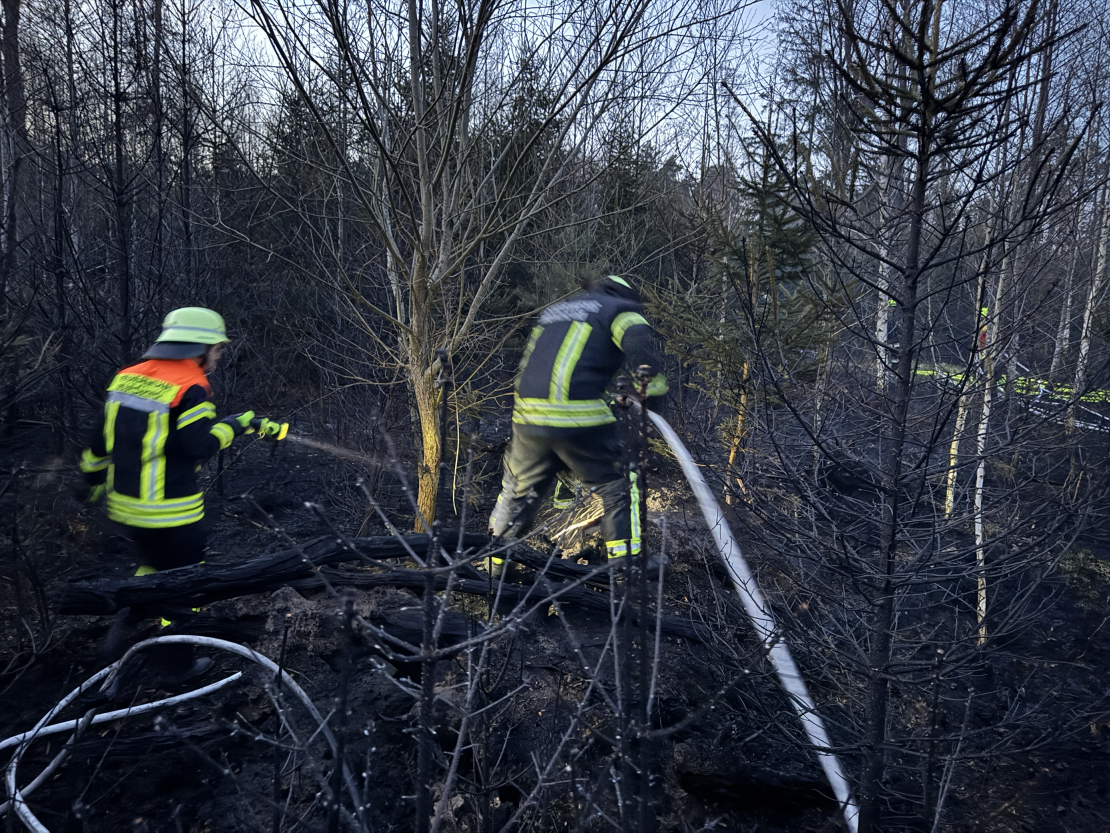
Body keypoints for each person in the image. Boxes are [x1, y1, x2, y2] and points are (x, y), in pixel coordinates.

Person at [80, 307, 286, 678]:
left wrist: (91, 483)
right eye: (218, 351)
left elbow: (99, 440)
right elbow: (197, 447)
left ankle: (125, 626)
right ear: (199, 348)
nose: (218, 358)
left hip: (125, 509)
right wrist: (238, 426)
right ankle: (178, 666)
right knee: (186, 587)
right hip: (170, 513)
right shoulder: (192, 385)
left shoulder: (128, 377)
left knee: (153, 567)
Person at [488, 274, 667, 576]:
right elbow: (640, 347)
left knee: (517, 492)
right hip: (578, 416)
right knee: (619, 484)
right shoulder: (618, 308)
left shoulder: (554, 311)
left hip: (527, 418)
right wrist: (654, 396)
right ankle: (627, 563)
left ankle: (494, 569)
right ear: (626, 294)